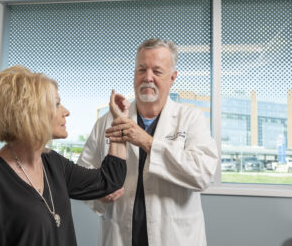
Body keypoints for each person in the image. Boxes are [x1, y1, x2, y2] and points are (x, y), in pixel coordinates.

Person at [0, 65, 129, 246]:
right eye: (57, 104)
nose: (66, 112)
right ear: (30, 112)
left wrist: (119, 121)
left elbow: (109, 181)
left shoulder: (53, 163)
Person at [77, 38, 219, 246]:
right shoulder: (108, 121)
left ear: (172, 77)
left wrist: (147, 142)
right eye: (141, 69)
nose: (148, 78)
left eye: (157, 71)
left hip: (175, 238)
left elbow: (203, 174)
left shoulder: (190, 118)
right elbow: (83, 174)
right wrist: (99, 194)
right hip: (120, 236)